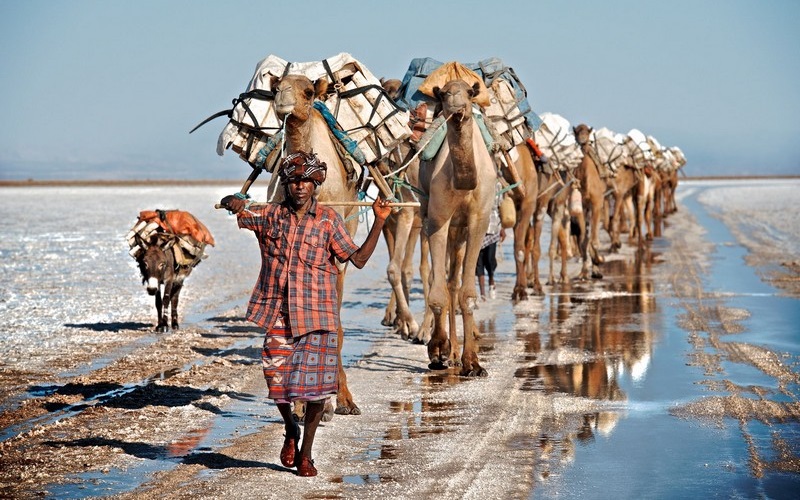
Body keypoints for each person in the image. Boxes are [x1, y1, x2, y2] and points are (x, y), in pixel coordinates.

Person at [219, 151, 391, 477]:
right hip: (280, 313)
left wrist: (380, 220)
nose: (300, 186)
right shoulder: (271, 215)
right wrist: (234, 202)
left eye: (307, 181)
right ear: (286, 184)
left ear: (315, 185)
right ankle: (290, 428)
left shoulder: (328, 220)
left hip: (319, 315)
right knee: (276, 381)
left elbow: (358, 260)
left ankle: (306, 454)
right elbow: (242, 209)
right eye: (294, 181)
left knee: (316, 391)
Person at [475, 198, 506, 301]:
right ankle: (482, 293)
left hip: (492, 229)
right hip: (477, 229)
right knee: (478, 262)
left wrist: (502, 228)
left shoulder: (497, 188)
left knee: (490, 259)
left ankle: (491, 280)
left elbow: (501, 208)